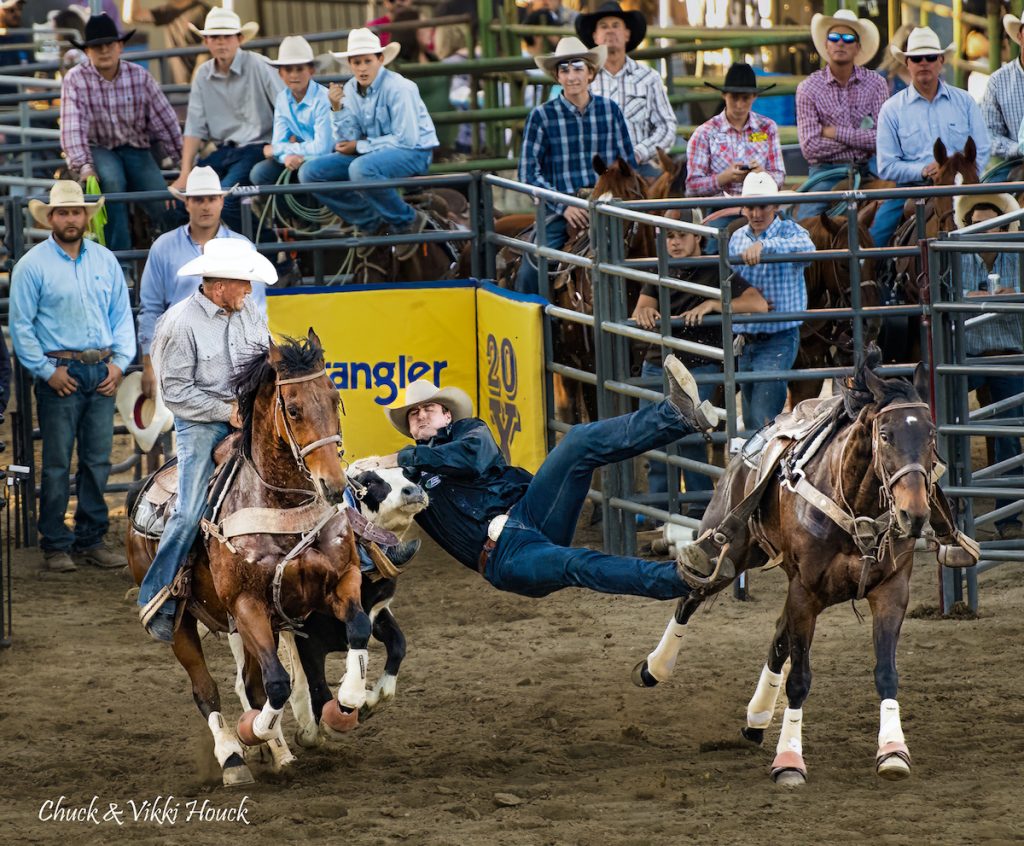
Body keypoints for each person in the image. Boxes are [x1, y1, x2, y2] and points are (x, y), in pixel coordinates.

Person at [353, 355, 717, 601]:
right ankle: (680, 579)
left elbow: (470, 458)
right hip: (505, 556)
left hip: (532, 510)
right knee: (576, 563)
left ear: (447, 416)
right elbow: (378, 514)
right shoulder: (406, 476)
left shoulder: (469, 433)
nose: (418, 416)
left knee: (576, 442)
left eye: (427, 409)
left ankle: (678, 416)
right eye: (412, 414)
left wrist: (399, 456)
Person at [138, 238, 276, 642]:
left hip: (246, 416)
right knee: (190, 507)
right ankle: (158, 596)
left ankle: (362, 549)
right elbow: (176, 393)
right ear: (219, 286)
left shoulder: (248, 311)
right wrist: (225, 411)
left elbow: (264, 360)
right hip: (200, 424)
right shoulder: (180, 323)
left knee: (302, 465)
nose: (250, 290)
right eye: (243, 283)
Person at [9, 181, 135, 572]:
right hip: (59, 370)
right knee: (59, 462)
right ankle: (57, 542)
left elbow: (121, 316)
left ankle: (90, 538)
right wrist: (47, 372)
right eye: (63, 212)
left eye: (76, 212)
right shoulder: (31, 266)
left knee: (97, 460)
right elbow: (21, 327)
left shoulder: (105, 261)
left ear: (85, 217)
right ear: (51, 218)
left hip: (101, 369)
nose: (70, 218)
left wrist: (119, 363)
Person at [631, 208, 766, 517]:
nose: (674, 243)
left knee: (689, 432)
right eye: (668, 237)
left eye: (680, 235)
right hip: (660, 361)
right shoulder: (659, 269)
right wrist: (645, 312)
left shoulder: (713, 268)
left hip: (699, 362)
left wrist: (714, 303)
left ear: (696, 237)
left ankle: (698, 503)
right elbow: (644, 305)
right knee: (650, 433)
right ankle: (659, 504)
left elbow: (756, 302)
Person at [298, 28, 438, 254]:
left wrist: (359, 146)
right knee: (309, 173)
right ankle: (372, 223)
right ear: (350, 64)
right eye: (356, 62)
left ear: (380, 60)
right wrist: (337, 108)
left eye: (367, 61)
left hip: (415, 153)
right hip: (371, 154)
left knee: (360, 168)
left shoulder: (400, 88)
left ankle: (406, 221)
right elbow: (348, 138)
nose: (362, 68)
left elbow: (408, 139)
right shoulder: (351, 90)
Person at [516, 36, 635, 295]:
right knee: (532, 266)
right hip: (560, 209)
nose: (571, 76)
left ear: (590, 73)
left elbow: (628, 165)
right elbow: (527, 173)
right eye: (564, 69)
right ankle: (534, 325)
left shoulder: (610, 110)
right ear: (557, 77)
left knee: (642, 255)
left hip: (607, 206)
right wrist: (563, 205)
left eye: (578, 68)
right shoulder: (541, 116)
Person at [138, 166, 267, 399]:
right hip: (179, 350)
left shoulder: (243, 247)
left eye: (211, 199)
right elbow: (151, 310)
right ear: (187, 204)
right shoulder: (163, 248)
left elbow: (256, 311)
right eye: (198, 200)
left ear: (220, 202)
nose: (205, 206)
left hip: (233, 356)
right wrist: (149, 364)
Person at [59, 13, 181, 252]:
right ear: (88, 51)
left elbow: (165, 120)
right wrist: (84, 164)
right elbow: (73, 126)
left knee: (160, 198)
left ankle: (171, 252)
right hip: (98, 147)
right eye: (97, 46)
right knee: (112, 184)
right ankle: (118, 260)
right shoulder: (75, 79)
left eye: (109, 45)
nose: (104, 50)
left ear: (120, 46)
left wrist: (183, 161)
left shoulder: (139, 76)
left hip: (136, 146)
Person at [872, 27, 991, 248]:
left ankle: (1004, 278)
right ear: (907, 63)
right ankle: (872, 278)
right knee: (877, 237)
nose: (923, 62)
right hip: (913, 188)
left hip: (964, 188)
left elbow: (983, 149)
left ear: (941, 61)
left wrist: (965, 177)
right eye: (917, 58)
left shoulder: (965, 101)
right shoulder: (891, 109)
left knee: (1005, 223)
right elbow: (886, 165)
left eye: (930, 57)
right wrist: (922, 170)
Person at [171, 6, 282, 234]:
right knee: (183, 203)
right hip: (224, 151)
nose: (221, 42)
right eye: (214, 36)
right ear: (206, 41)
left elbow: (285, 107)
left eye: (226, 36)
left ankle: (274, 252)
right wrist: (184, 174)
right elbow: (194, 127)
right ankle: (205, 260)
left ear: (239, 39)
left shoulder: (259, 65)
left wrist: (280, 144)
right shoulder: (202, 74)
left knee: (225, 200)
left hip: (257, 148)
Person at [952, 191, 1024, 540]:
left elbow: (958, 298)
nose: (983, 231)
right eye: (977, 225)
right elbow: (950, 298)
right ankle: (948, 505)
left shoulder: (1019, 254)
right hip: (969, 356)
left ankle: (1007, 514)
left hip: (1010, 354)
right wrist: (1000, 297)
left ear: (1003, 228)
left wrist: (977, 298)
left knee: (1008, 434)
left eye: (991, 226)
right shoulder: (956, 256)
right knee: (944, 420)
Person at [728, 171, 815, 432]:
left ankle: (762, 470)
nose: (756, 213)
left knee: (762, 418)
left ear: (775, 207)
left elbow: (808, 249)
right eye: (751, 207)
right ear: (743, 208)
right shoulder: (737, 238)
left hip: (779, 336)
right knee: (755, 415)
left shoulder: (792, 231)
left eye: (762, 206)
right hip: (745, 339)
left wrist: (767, 246)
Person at [796, 10, 887, 217]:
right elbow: (811, 147)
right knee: (808, 225)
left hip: (867, 172)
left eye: (848, 38)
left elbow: (882, 138)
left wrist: (834, 132)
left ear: (857, 47)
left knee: (897, 211)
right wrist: (860, 139)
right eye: (834, 38)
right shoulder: (808, 88)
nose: (840, 43)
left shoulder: (876, 84)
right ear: (826, 45)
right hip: (825, 174)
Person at [575, 1, 676, 179]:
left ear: (627, 34)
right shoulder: (583, 79)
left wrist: (638, 153)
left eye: (616, 25)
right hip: (595, 169)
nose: (610, 31)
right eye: (603, 26)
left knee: (669, 191)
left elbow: (667, 126)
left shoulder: (648, 77)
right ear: (595, 36)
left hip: (640, 167)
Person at [685, 62, 785, 198]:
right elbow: (692, 186)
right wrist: (723, 178)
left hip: (760, 205)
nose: (739, 105)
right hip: (720, 207)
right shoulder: (704, 133)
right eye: (734, 98)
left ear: (754, 97)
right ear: (724, 95)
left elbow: (779, 175)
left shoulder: (768, 128)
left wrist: (762, 175)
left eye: (745, 98)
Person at [249, 36, 333, 190]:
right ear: (280, 74)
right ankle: (289, 213)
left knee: (307, 172)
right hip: (301, 155)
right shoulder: (282, 99)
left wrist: (283, 151)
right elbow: (278, 141)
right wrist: (287, 156)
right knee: (259, 173)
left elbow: (323, 148)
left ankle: (305, 210)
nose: (294, 75)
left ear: (311, 71)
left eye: (300, 69)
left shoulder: (323, 98)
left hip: (328, 156)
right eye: (288, 70)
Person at [980, 14, 1024, 182]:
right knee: (984, 203)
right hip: (1013, 164)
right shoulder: (998, 81)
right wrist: (1017, 149)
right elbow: (988, 135)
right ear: (1020, 36)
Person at [124, 0, 210, 84]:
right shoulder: (167, 11)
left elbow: (208, 48)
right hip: (175, 85)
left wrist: (195, 80)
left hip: (199, 85)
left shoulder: (203, 11)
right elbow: (132, 16)